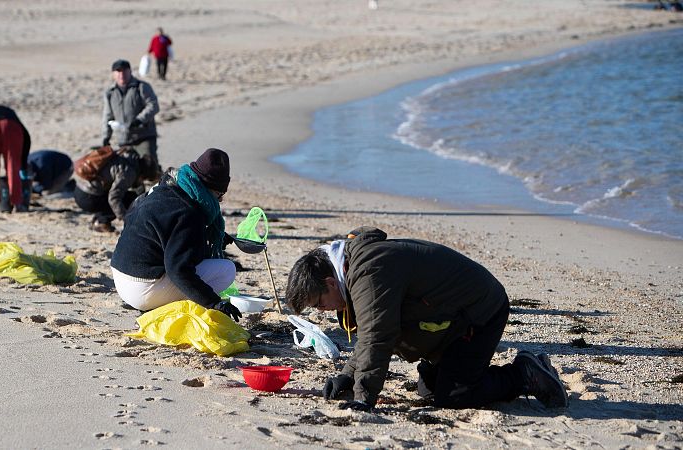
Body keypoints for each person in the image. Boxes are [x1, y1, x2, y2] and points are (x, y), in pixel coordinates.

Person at [285, 226, 569, 412]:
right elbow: (372, 331)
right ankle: (460, 369)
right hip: (451, 317)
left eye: (318, 303)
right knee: (429, 389)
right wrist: (347, 376)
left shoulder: (368, 271)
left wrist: (363, 398)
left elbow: (377, 336)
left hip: (480, 312)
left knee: (455, 397)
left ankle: (524, 373)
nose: (322, 311)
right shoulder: (353, 267)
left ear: (330, 282)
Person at [110, 148, 241, 321]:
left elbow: (146, 225)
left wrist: (211, 237)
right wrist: (214, 303)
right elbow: (179, 270)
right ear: (209, 189)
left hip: (120, 276)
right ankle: (163, 308)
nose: (221, 200)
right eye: (219, 194)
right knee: (226, 270)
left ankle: (157, 303)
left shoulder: (165, 187)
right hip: (141, 289)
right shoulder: (189, 212)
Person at [102, 59, 161, 179]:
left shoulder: (141, 87)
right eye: (118, 71)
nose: (121, 74)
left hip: (144, 136)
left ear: (130, 71)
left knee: (150, 168)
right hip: (124, 139)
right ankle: (139, 195)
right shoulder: (110, 93)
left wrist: (139, 120)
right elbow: (107, 116)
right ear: (113, 74)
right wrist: (105, 137)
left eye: (124, 71)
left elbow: (154, 105)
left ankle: (160, 185)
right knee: (130, 173)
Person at [73, 149, 154, 233]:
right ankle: (102, 222)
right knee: (130, 199)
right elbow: (114, 198)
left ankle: (98, 219)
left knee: (120, 196)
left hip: (79, 190)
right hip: (88, 198)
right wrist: (127, 220)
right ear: (143, 174)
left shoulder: (126, 155)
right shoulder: (129, 172)